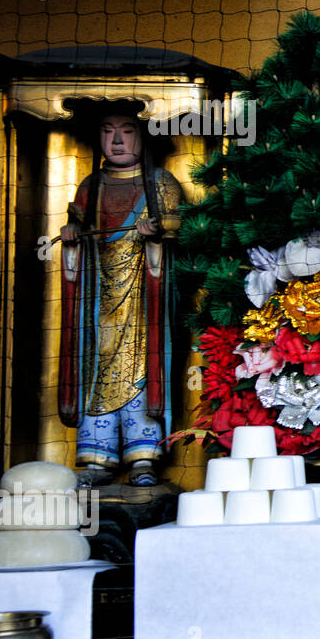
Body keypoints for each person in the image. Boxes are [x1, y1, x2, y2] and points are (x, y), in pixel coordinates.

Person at [58, 103, 184, 486]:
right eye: (107, 131)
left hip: (144, 302)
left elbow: (182, 227)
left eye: (126, 130)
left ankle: (144, 455)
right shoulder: (90, 187)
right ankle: (98, 457)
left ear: (143, 135)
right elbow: (74, 235)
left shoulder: (160, 183)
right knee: (94, 373)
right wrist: (71, 243)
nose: (116, 140)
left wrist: (159, 231)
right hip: (96, 306)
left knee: (144, 371)